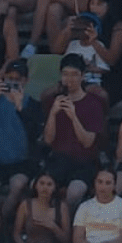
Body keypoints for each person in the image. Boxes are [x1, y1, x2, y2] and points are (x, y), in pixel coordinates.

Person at [0, 60, 42, 220]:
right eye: (9, 78)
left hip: (22, 162)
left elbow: (35, 133)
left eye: (17, 79)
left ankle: (0, 221)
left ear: (25, 81)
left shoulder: (33, 105)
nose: (13, 82)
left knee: (17, 186)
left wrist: (20, 107)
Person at [42, 53, 105, 212]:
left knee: (74, 192)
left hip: (84, 162)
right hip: (58, 160)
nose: (69, 79)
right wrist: (53, 113)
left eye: (74, 74)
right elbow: (48, 140)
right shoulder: (53, 101)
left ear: (82, 76)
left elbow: (87, 142)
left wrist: (73, 116)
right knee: (40, 188)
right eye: (65, 74)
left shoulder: (93, 103)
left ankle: (67, 224)